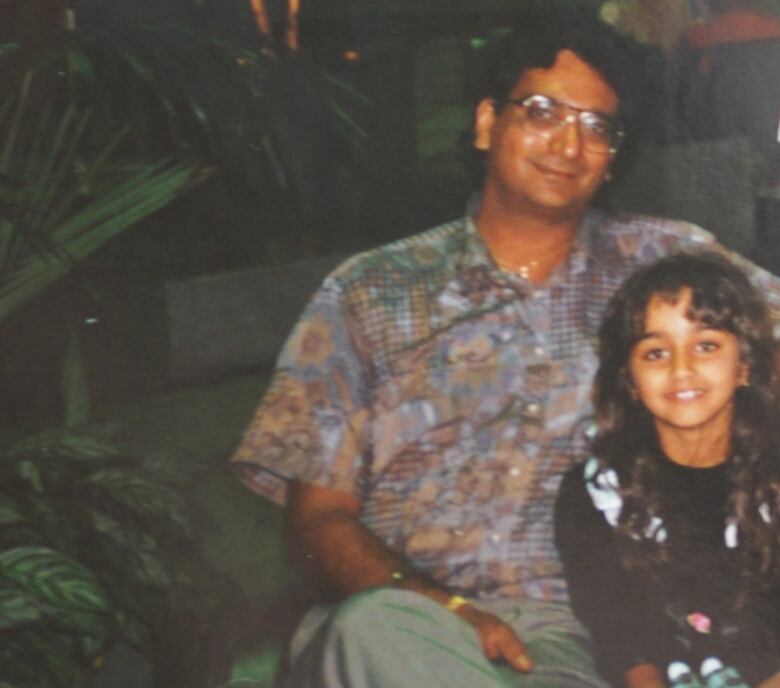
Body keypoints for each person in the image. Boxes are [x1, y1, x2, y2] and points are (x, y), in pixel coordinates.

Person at [230, 6, 780, 687]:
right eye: (543, 112)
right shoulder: (370, 292)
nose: (568, 145)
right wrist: (445, 607)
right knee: (377, 632)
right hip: (403, 622)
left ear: (612, 159)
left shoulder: (663, 266)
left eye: (596, 127)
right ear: (489, 123)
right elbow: (318, 518)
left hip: (581, 637)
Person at [555, 252, 780, 688]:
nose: (682, 369)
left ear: (745, 366)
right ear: (629, 381)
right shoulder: (598, 493)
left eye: (706, 345)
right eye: (656, 353)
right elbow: (623, 640)